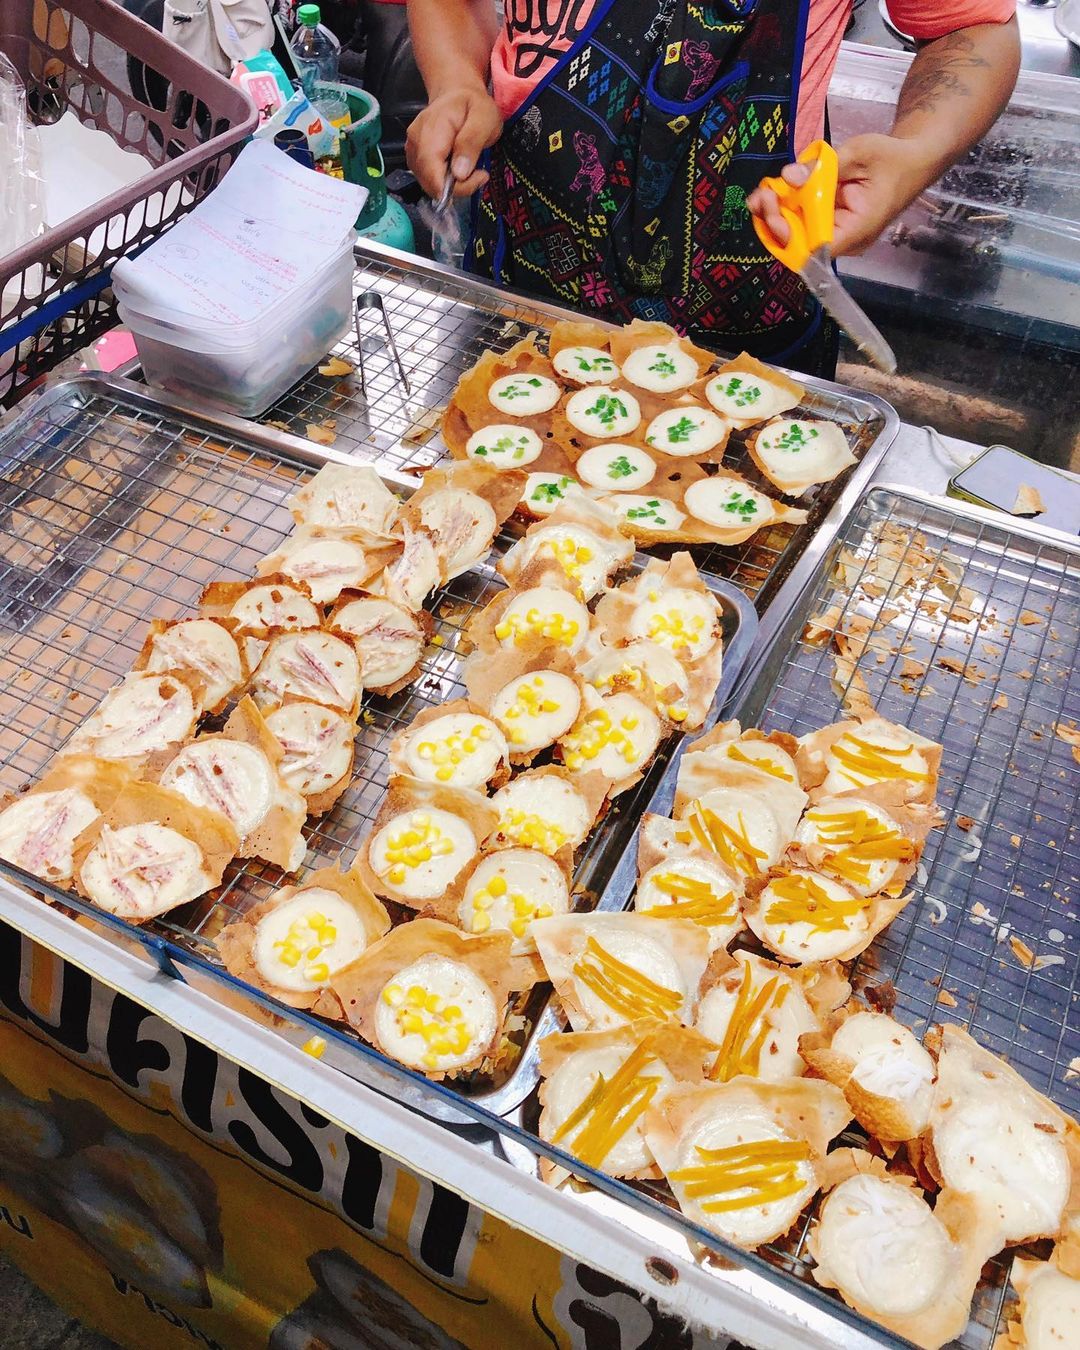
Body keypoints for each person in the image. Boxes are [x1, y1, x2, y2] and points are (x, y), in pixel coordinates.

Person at [403, 1, 1020, 376]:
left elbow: (970, 28)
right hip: (528, 272)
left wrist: (916, 151)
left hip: (749, 305)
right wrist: (457, 79)